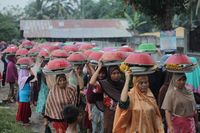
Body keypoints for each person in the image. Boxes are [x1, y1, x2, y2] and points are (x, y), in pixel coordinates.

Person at [87, 62, 124, 133]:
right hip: (109, 113)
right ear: (109, 74)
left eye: (118, 73)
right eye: (114, 73)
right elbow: (92, 83)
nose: (116, 75)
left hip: (121, 113)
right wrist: (99, 68)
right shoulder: (104, 84)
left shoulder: (122, 83)